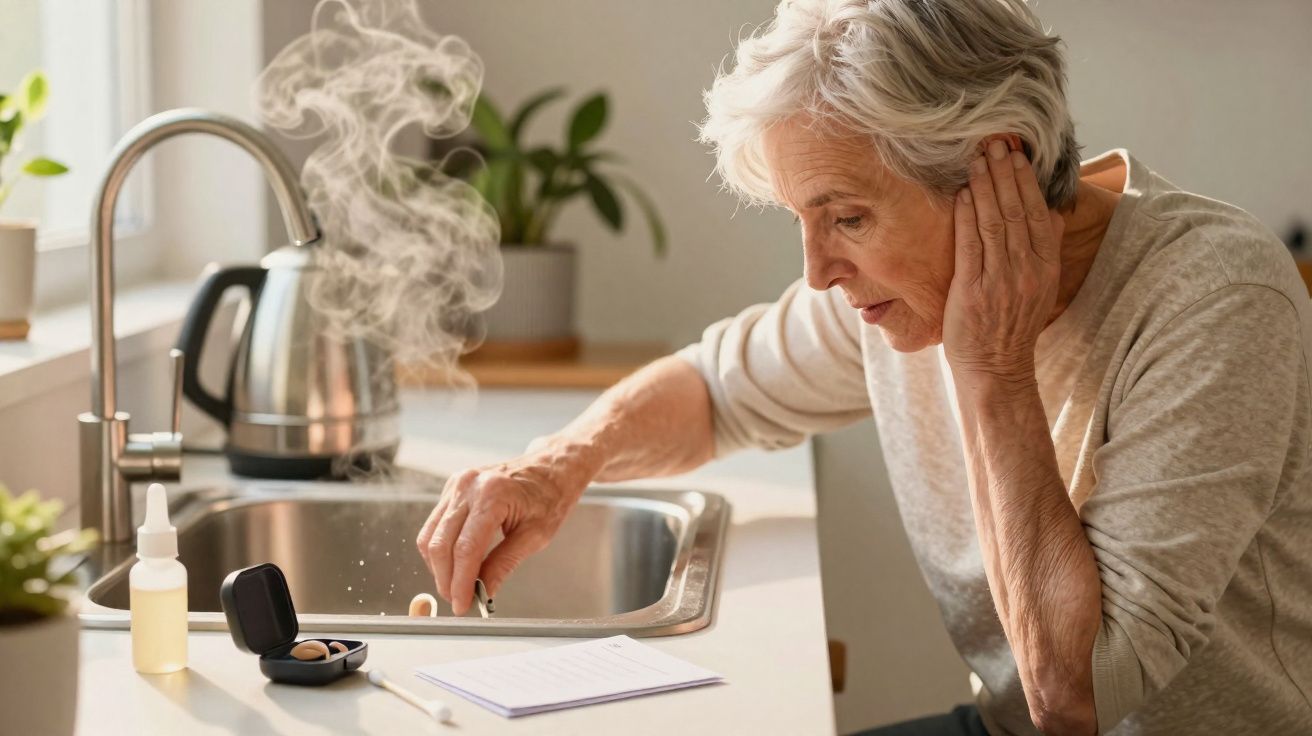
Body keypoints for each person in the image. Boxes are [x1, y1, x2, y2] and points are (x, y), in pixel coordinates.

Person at [416, 1, 1312, 733]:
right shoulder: (900, 290)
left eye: (847, 218)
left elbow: (1076, 697)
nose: (817, 272)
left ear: (995, 168)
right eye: (802, 219)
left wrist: (992, 371)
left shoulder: (1215, 296)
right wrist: (553, 468)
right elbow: (715, 389)